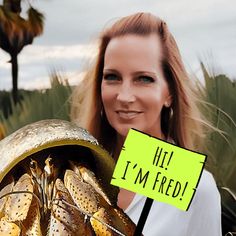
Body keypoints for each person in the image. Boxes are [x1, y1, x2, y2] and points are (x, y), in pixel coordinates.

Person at [71, 12, 222, 236]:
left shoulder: (197, 188)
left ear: (169, 91)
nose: (124, 96)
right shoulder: (73, 173)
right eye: (112, 77)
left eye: (144, 79)